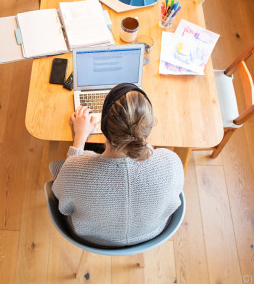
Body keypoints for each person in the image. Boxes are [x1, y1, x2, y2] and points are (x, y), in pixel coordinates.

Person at [51, 83, 184, 247]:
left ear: (103, 127)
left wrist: (79, 138)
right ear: (149, 128)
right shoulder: (170, 162)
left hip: (92, 239)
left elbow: (63, 206)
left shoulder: (75, 170)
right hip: (151, 234)